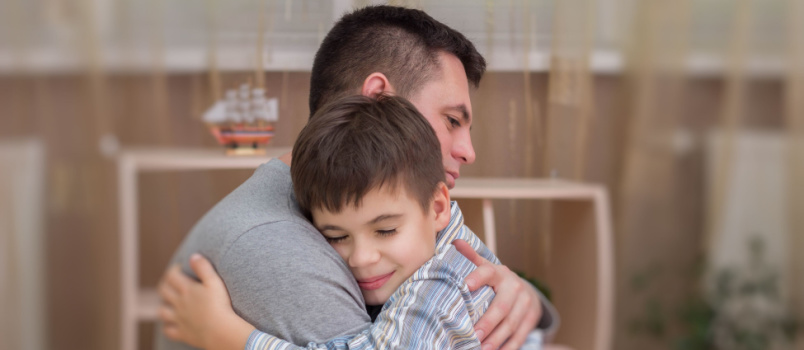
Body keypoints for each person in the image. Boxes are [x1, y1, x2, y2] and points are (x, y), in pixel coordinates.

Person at [155, 5, 557, 350]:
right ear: (378, 99)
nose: (468, 151)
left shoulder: (426, 236)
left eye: (384, 231)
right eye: (451, 120)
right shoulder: (280, 248)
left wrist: (527, 301)